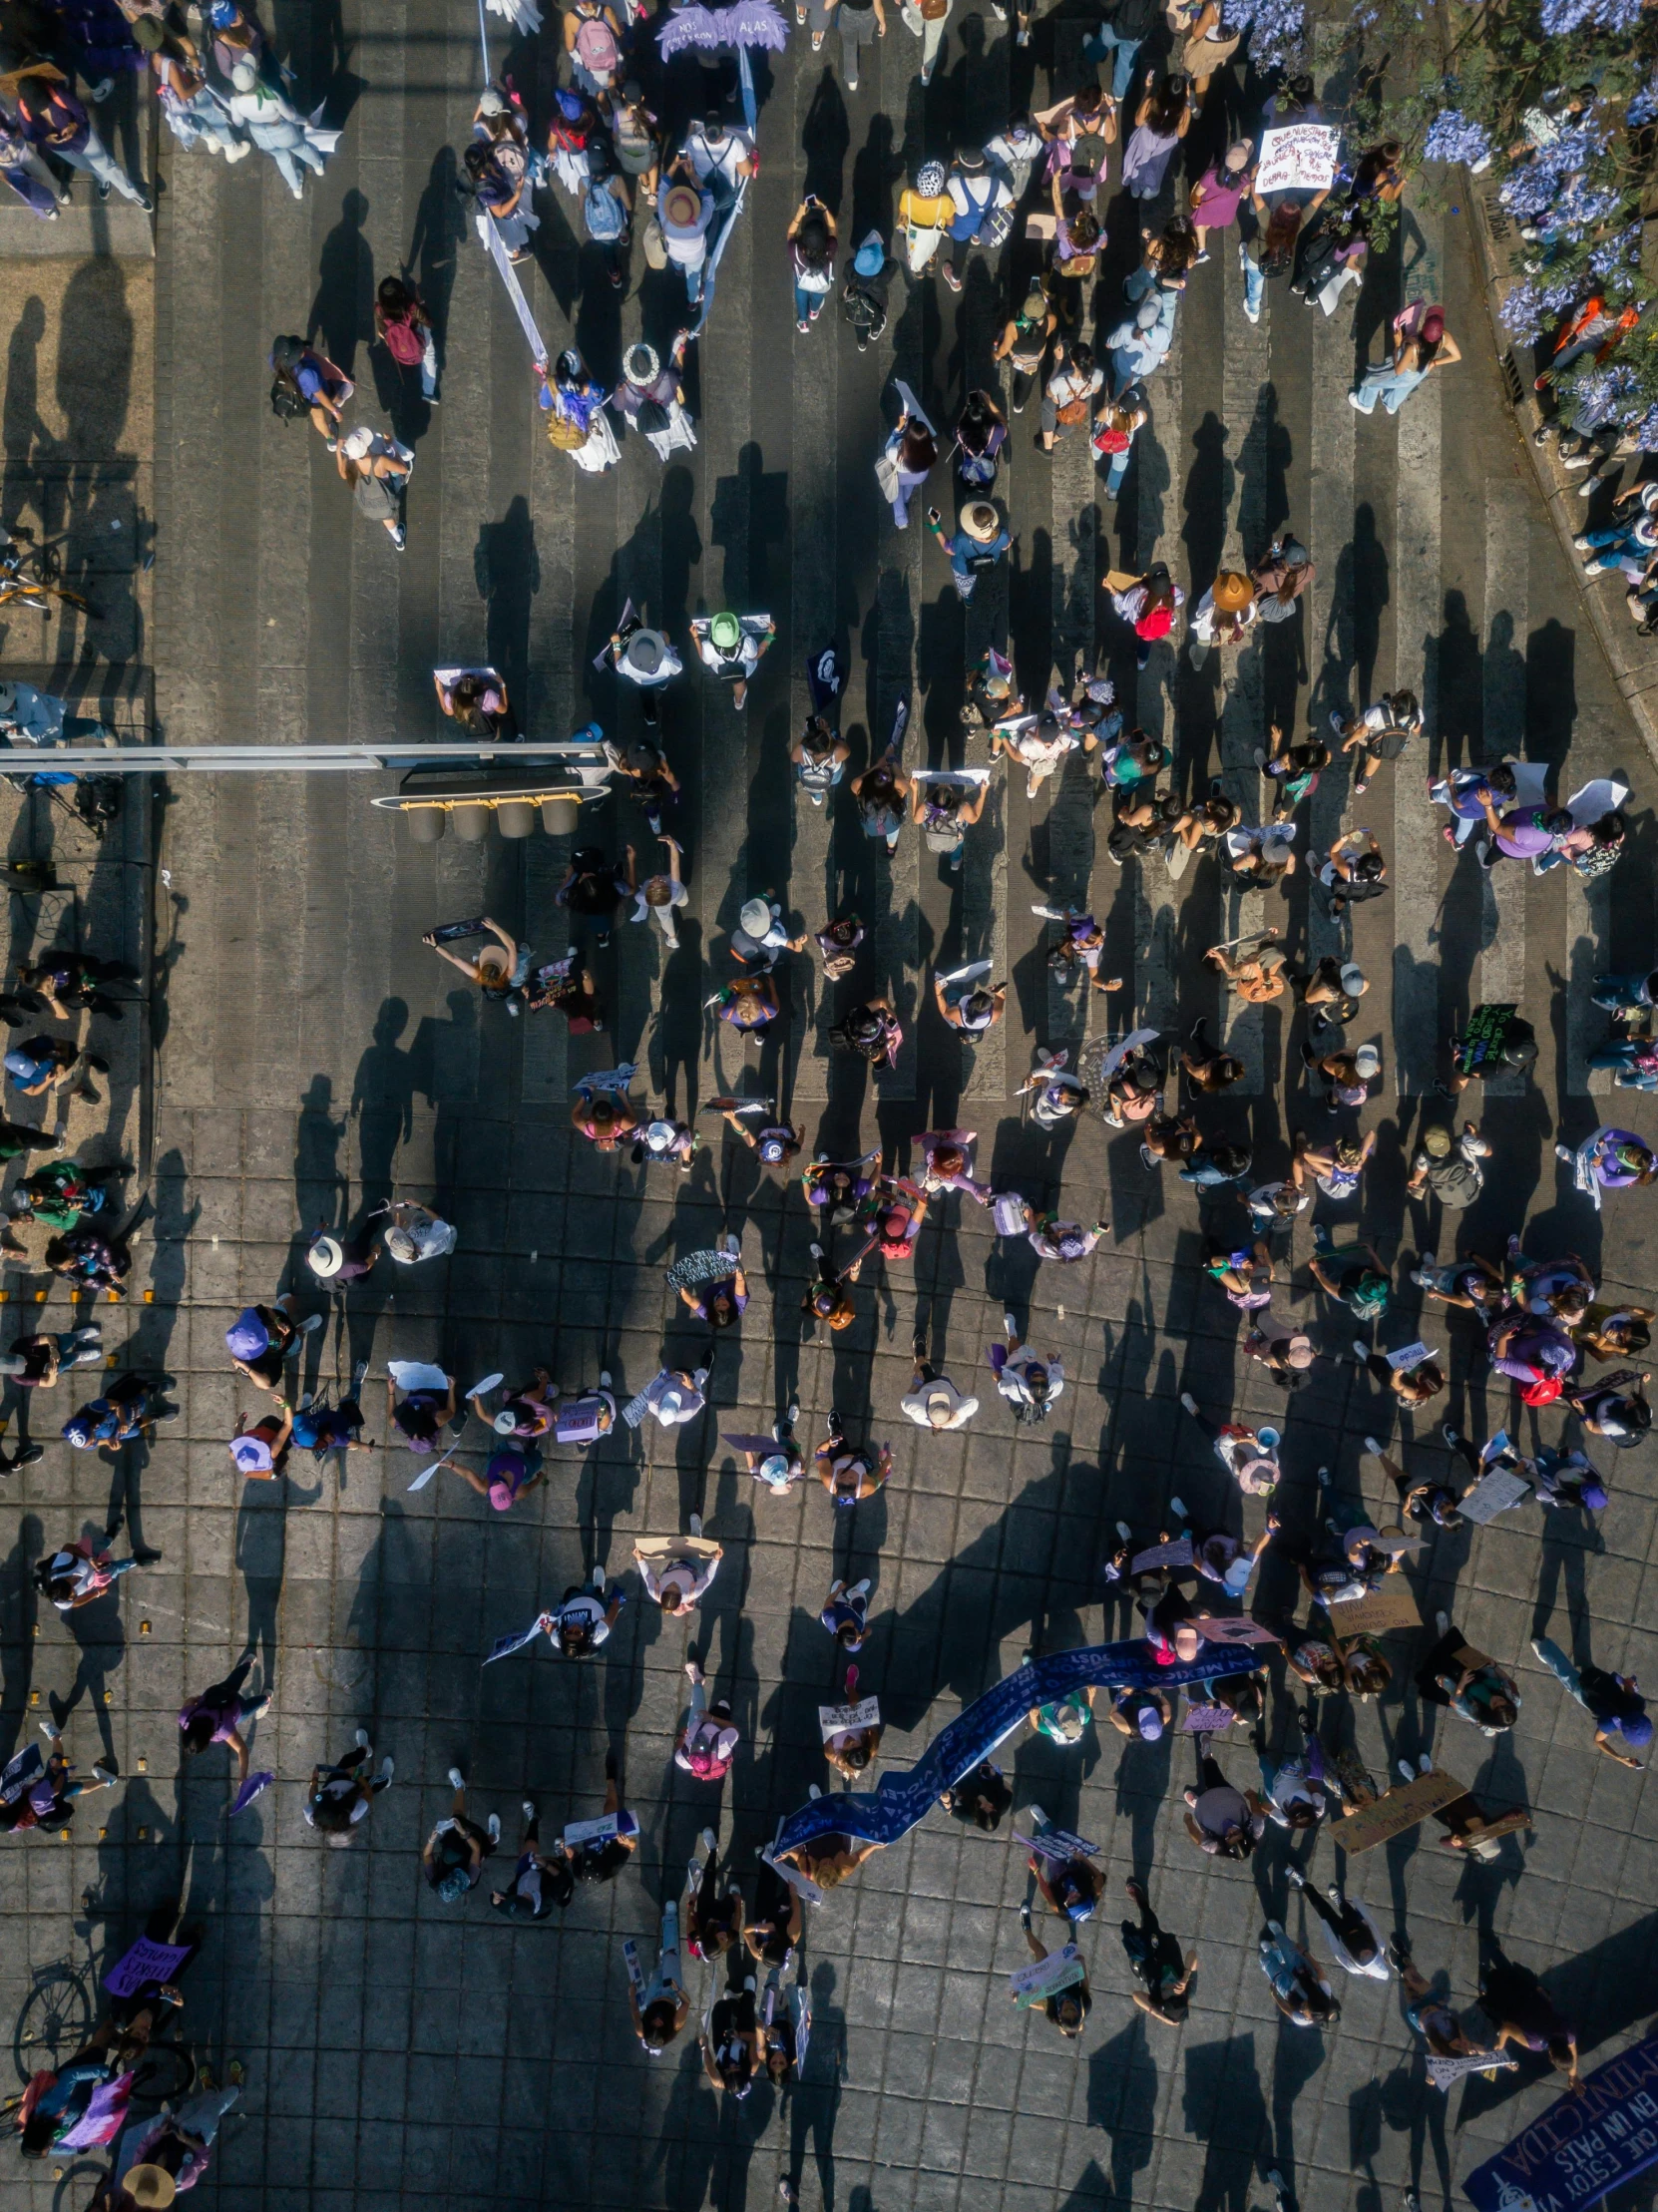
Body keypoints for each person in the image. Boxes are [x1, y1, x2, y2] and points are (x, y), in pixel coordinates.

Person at [17, 72, 152, 207]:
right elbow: (30, 136)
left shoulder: (57, 92)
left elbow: (80, 112)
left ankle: (132, 193)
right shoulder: (22, 109)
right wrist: (46, 138)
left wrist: (73, 125)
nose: (42, 109)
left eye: (43, 103)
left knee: (106, 164)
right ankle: (103, 178)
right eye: (37, 108)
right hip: (60, 147)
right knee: (84, 165)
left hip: (82, 137)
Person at [1530, 1634, 1649, 1765]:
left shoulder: (1639, 1704)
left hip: (1601, 1680)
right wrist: (1618, 1757)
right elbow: (1598, 1741)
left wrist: (1629, 1683)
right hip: (1587, 1694)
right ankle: (1543, 1649)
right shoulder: (1609, 1724)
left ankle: (1552, 1645)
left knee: (1587, 1664)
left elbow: (1627, 1685)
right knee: (1565, 1674)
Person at [224, 61, 332, 199]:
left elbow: (238, 123)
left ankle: (296, 189)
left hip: (259, 134)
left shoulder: (235, 101)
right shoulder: (270, 94)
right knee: (301, 148)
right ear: (255, 77)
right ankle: (318, 167)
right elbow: (291, 116)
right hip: (281, 129)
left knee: (282, 159)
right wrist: (306, 121)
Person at [1351, 303, 1461, 415]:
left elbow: (1398, 371)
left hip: (1406, 374)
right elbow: (1457, 356)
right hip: (1423, 370)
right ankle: (1391, 405)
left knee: (1373, 382)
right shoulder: (1445, 337)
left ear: (1423, 327)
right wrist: (1434, 363)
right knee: (1404, 388)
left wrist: (1398, 345)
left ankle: (1365, 404)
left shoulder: (1413, 348)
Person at [302, 1730, 393, 1840]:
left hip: (334, 1781)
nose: (326, 1794)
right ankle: (386, 1778)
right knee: (375, 1782)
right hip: (357, 1790)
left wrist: (314, 1780)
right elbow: (368, 1794)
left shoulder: (312, 1814)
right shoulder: (354, 1812)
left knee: (347, 1760)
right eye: (331, 1796)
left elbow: (313, 1798)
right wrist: (358, 1776)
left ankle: (365, 1749)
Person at [631, 1898, 691, 2052]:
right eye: (660, 2025)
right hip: (671, 1993)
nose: (657, 2021)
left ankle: (663, 1960)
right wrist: (678, 1990)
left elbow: (635, 2011)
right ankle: (670, 1916)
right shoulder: (676, 2024)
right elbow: (686, 2003)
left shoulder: (641, 2030)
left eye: (653, 2024)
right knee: (671, 1953)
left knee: (658, 1970)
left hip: (652, 1997)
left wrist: (632, 1995)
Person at [1183, 1751, 1264, 1858]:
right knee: (1210, 1767)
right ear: (1245, 1836)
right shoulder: (1256, 1829)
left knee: (1204, 1805)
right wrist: (1252, 1797)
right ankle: (1207, 1754)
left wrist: (1188, 1822)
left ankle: (1198, 1802)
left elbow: (1199, 1839)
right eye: (1236, 1833)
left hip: (1205, 1808)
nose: (1230, 1832)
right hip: (1224, 1792)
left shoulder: (1215, 1847)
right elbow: (1257, 1812)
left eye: (1228, 1837)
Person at [927, 500, 1011, 602]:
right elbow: (1006, 546)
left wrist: (936, 526)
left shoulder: (961, 539)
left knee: (966, 588)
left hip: (964, 569)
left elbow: (948, 549)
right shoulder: (1003, 535)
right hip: (990, 563)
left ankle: (968, 599)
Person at [373, 272, 438, 405]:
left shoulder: (380, 309)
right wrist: (422, 304)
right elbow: (427, 322)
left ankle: (405, 358)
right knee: (429, 355)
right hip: (415, 335)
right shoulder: (411, 307)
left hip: (397, 341)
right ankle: (428, 392)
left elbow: (383, 330)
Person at [1259, 1923, 1340, 2027]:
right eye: (1307, 2008)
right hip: (1303, 1973)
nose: (1303, 2010)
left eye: (1307, 2014)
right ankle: (1278, 1934)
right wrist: (1305, 1952)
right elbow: (1319, 1970)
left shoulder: (1302, 2019)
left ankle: (1272, 1953)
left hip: (1288, 1989)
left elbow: (1286, 2008)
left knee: (1265, 1960)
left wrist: (1275, 1996)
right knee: (1286, 1946)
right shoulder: (1325, 1991)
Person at [690, 612, 774, 709]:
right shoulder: (746, 642)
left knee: (736, 682)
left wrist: (696, 637)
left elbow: (706, 662)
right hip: (744, 670)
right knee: (739, 682)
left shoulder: (708, 647)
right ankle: (738, 701)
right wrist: (769, 635)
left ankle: (739, 702)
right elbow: (755, 656)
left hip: (722, 669)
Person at [1036, 338, 1104, 456]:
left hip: (1060, 404)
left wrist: (1058, 362)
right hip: (1077, 407)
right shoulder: (1098, 375)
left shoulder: (1061, 380)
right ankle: (1055, 440)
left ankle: (1047, 447)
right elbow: (1096, 391)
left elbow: (1048, 392)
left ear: (1072, 362)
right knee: (1070, 420)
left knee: (1048, 406)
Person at [676, 1655, 739, 1779]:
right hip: (717, 1726)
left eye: (694, 1745)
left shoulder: (683, 1758)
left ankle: (698, 1680)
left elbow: (678, 1748)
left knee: (696, 1703)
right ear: (710, 1752)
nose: (699, 1739)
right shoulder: (722, 1748)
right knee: (723, 1708)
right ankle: (722, 1710)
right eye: (703, 1744)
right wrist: (711, 1718)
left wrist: (683, 1737)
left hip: (696, 1724)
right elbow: (733, 1729)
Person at [900, 1335, 979, 1430]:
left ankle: (919, 1356)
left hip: (927, 1383)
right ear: (950, 1411)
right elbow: (974, 1402)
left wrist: (916, 1384)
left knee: (920, 1367)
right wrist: (949, 1422)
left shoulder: (916, 1409)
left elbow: (905, 1400)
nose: (938, 1393)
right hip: (945, 1384)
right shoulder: (955, 1420)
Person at [816, 1413, 890, 1504]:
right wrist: (885, 1466)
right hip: (860, 1459)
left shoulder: (828, 1478)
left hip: (838, 1456)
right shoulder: (866, 1487)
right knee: (861, 1451)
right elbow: (878, 1482)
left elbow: (820, 1454)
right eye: (851, 1477)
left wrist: (828, 1443)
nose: (847, 1475)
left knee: (838, 1441)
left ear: (836, 1483)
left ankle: (836, 1431)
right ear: (857, 1487)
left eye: (842, 1476)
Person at [787, 196, 837, 329]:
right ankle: (814, 311)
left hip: (802, 277)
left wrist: (799, 215)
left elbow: (790, 234)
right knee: (819, 292)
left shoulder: (796, 252)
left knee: (800, 290)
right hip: (822, 280)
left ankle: (803, 321)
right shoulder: (829, 249)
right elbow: (832, 229)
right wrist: (825, 209)